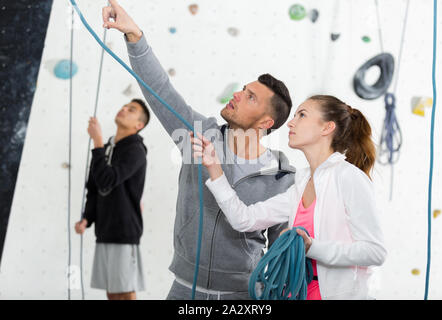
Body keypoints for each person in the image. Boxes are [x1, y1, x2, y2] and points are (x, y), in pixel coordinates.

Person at [102, 0, 296, 300]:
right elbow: (161, 90)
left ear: (266, 122)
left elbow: (282, 251)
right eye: (243, 90)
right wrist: (134, 34)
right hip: (183, 290)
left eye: (250, 97)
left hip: (242, 295)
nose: (238, 95)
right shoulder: (197, 134)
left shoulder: (280, 179)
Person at [192, 95, 387, 300]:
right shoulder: (301, 182)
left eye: (302, 115)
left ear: (327, 128)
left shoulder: (348, 177)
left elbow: (374, 252)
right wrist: (214, 167)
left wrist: (312, 247)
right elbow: (244, 219)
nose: (291, 123)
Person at [75, 98, 151, 300]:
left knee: (124, 293)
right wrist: (87, 218)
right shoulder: (107, 148)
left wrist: (97, 142)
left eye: (132, 109)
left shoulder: (136, 151)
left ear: (139, 125)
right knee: (112, 293)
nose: (124, 108)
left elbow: (109, 180)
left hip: (123, 231)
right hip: (105, 230)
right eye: (125, 106)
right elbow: (94, 186)